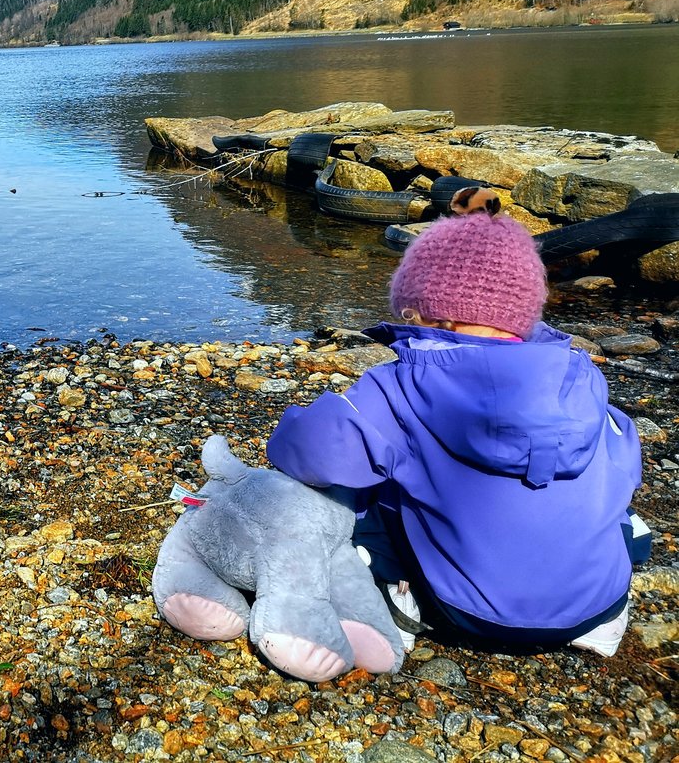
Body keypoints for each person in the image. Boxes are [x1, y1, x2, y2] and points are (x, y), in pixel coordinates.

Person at [266, 210, 644, 656]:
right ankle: (601, 617)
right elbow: (626, 462)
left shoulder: (401, 385)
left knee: (364, 497)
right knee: (600, 496)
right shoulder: (578, 379)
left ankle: (397, 600)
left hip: (468, 612)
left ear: (422, 313)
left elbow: (307, 453)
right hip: (598, 604)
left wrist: (294, 424)